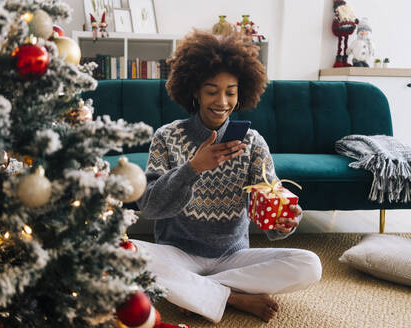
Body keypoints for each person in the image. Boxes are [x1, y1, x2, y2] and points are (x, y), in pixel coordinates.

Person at [134, 29, 322, 323]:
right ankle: (232, 297)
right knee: (125, 253)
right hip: (177, 254)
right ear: (194, 91)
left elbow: (269, 214)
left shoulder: (253, 142)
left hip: (233, 258)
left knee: (310, 264)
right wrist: (192, 168)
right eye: (211, 91)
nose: (222, 101)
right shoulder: (167, 137)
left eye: (230, 92)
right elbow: (151, 206)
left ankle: (201, 292)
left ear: (241, 92)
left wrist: (284, 222)